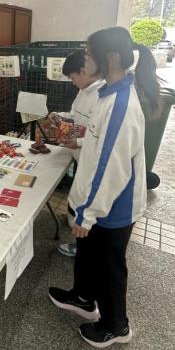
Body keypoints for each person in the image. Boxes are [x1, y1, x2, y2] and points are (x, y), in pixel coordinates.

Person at [48, 26, 158, 348]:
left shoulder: (121, 104)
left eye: (88, 54)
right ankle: (83, 298)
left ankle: (116, 326)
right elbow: (97, 142)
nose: (85, 60)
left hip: (114, 205)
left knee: (109, 265)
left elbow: (111, 168)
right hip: (100, 199)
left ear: (109, 58)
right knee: (89, 253)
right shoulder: (107, 93)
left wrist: (86, 213)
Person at [47, 49, 103, 257]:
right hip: (79, 157)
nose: (72, 82)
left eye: (72, 77)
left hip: (92, 162)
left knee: (88, 205)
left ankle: (83, 248)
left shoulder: (103, 95)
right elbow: (74, 117)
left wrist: (77, 142)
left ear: (83, 71)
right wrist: (59, 116)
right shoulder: (84, 90)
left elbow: (101, 137)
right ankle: (75, 225)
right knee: (78, 197)